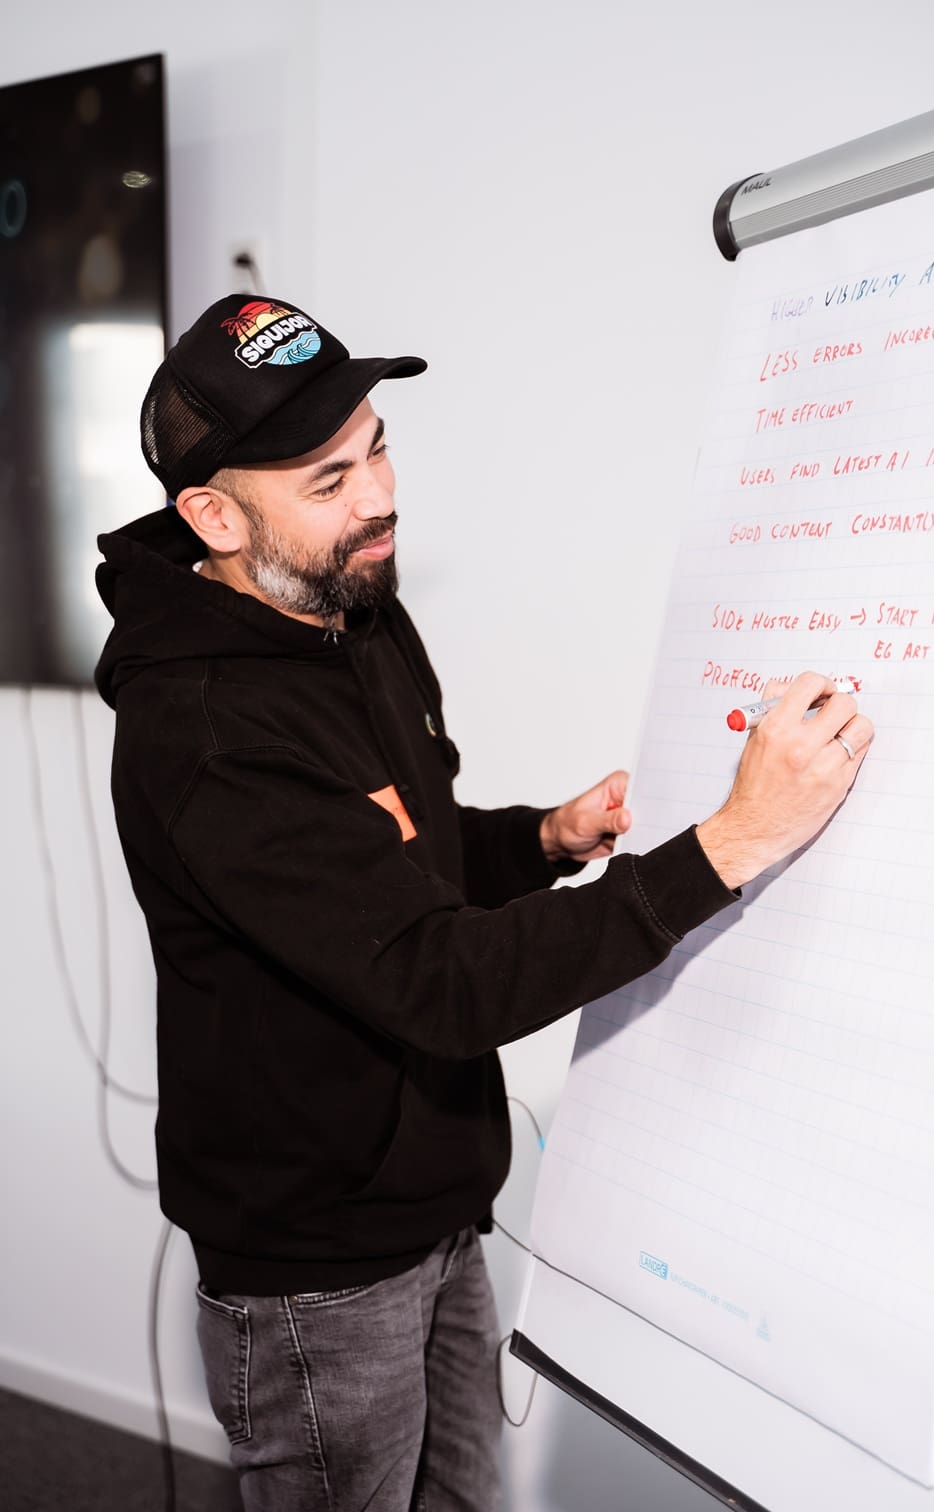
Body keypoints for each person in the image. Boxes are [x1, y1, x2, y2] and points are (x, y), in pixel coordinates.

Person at [94, 293, 872, 1512]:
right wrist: (726, 846)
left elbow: (403, 861)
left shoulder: (353, 608)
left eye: (378, 445)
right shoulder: (202, 731)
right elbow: (438, 979)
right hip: (317, 1272)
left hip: (440, 1211)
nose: (379, 496)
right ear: (214, 514)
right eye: (326, 476)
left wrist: (545, 841)